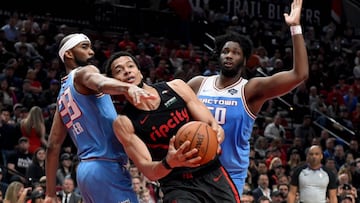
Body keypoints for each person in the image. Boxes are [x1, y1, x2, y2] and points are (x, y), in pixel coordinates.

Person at [187, 0, 308, 195]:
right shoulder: (198, 84)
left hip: (229, 174)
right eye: (225, 51)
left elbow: (299, 74)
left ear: (244, 60)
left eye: (235, 53)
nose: (229, 56)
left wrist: (295, 27)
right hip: (194, 170)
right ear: (218, 56)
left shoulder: (250, 89)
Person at [44, 33, 169, 203]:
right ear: (69, 54)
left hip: (86, 172)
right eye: (84, 46)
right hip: (106, 166)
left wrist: (50, 194)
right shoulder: (84, 72)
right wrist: (127, 88)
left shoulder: (62, 96)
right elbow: (99, 82)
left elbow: (52, 146)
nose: (91, 52)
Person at [105, 51, 241, 202]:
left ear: (140, 73)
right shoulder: (124, 122)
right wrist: (169, 162)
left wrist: (216, 136)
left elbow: (211, 124)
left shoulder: (176, 87)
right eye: (119, 70)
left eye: (130, 66)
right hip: (177, 185)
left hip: (211, 172)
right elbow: (148, 170)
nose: (127, 70)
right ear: (114, 84)